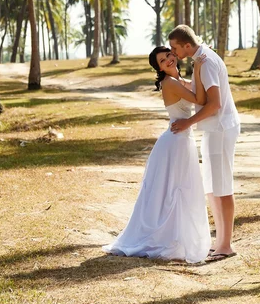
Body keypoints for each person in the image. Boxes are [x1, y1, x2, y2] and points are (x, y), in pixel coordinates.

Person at [102, 46, 210, 263]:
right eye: (162, 60)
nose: (168, 60)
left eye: (169, 55)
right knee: (172, 191)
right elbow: (200, 99)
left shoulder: (177, 80)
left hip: (182, 140)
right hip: (175, 142)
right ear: (159, 68)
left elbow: (197, 90)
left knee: (178, 189)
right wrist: (198, 66)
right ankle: (165, 238)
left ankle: (178, 236)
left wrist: (197, 68)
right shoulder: (170, 83)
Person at [169, 24, 240, 263]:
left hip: (220, 128)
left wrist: (188, 122)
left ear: (187, 45)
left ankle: (226, 245)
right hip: (213, 129)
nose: (173, 53)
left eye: (175, 48)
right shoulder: (200, 59)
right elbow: (199, 92)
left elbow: (214, 104)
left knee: (222, 185)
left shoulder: (206, 61)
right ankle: (220, 241)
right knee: (212, 185)